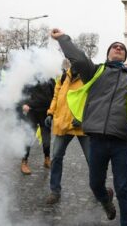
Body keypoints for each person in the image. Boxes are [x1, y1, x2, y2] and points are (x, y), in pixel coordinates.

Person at [52, 28, 127, 226]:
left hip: (121, 141)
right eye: (114, 47)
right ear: (108, 54)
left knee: (123, 187)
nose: (118, 48)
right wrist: (63, 38)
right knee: (95, 184)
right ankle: (105, 201)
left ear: (125, 56)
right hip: (97, 140)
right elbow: (80, 59)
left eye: (121, 48)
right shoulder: (95, 72)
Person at [45, 65, 89, 205]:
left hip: (82, 126)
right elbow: (56, 96)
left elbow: (94, 100)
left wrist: (83, 116)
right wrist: (50, 113)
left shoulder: (89, 76)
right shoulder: (63, 77)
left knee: (93, 160)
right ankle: (55, 191)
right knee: (56, 158)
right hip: (63, 124)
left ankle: (99, 189)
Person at [18, 80, 55, 175]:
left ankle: (47, 159)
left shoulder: (50, 79)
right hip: (32, 112)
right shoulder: (29, 77)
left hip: (45, 113)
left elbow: (55, 95)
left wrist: (53, 111)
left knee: (46, 140)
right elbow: (22, 94)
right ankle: (24, 161)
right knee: (29, 138)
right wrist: (24, 104)